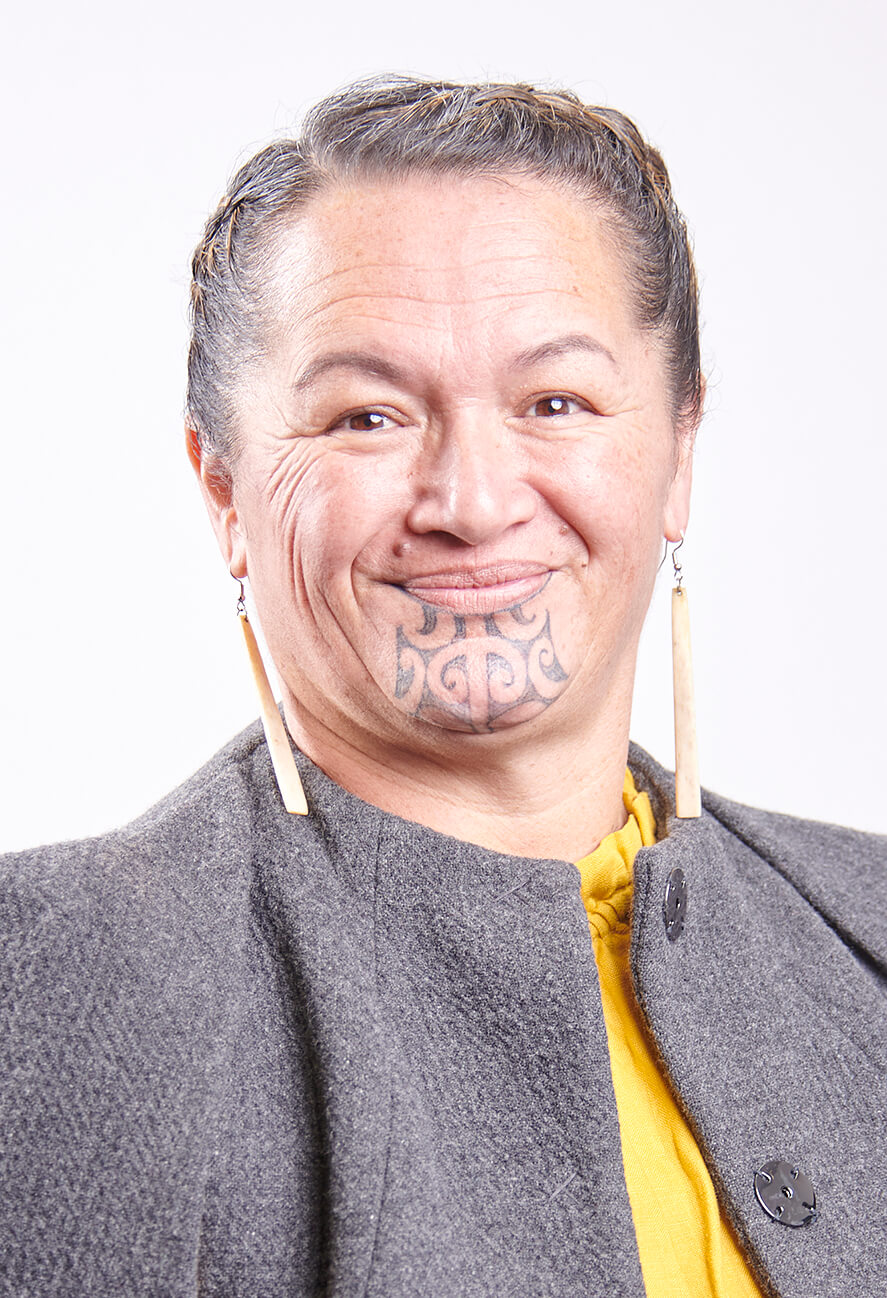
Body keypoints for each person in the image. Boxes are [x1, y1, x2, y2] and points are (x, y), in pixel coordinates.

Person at [2, 77, 885, 1298]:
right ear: (224, 490)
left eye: (555, 402)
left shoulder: (865, 931)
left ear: (678, 451)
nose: (470, 502)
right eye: (365, 416)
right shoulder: (43, 994)